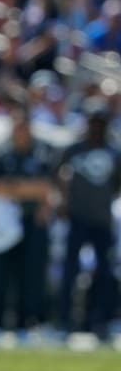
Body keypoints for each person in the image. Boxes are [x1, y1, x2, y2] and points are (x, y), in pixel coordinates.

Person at [0, 107, 55, 338]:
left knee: (31, 273)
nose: (20, 132)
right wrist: (27, 188)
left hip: (32, 220)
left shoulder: (41, 153)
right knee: (1, 272)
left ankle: (26, 324)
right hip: (6, 220)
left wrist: (13, 188)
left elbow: (45, 187)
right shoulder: (1, 153)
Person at [56, 102, 120, 340]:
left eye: (101, 123)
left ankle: (99, 321)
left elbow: (117, 184)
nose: (97, 128)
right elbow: (57, 176)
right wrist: (63, 201)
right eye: (93, 122)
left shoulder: (114, 152)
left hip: (102, 220)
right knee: (70, 270)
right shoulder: (73, 150)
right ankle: (65, 320)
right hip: (77, 218)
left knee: (104, 272)